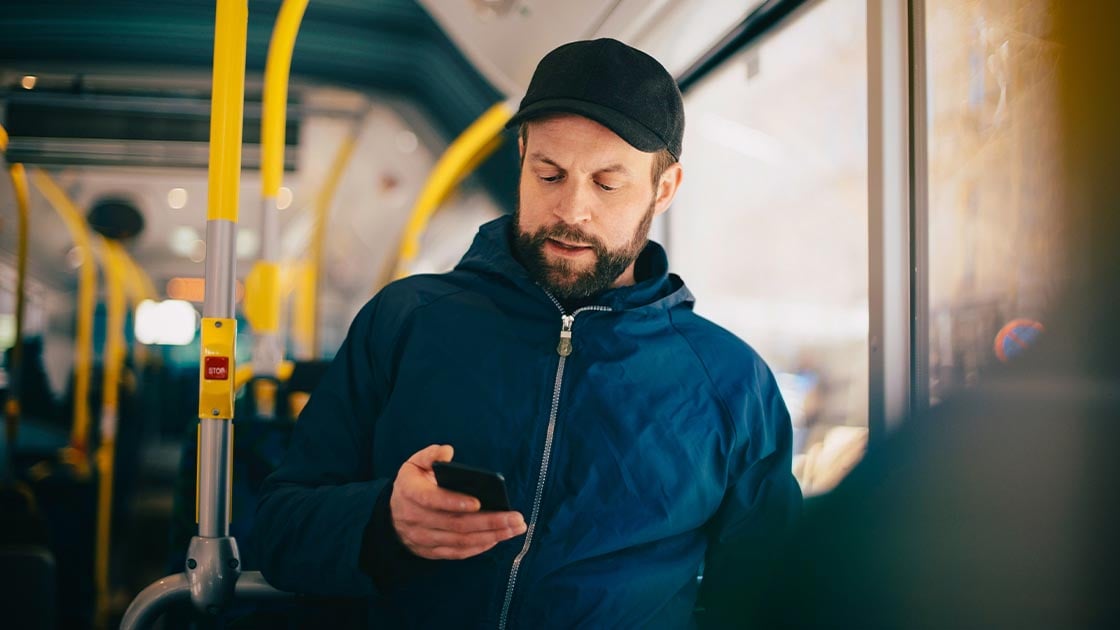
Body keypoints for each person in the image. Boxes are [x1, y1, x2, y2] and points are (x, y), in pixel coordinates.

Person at [254, 38, 802, 628]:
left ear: (664, 188)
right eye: (550, 173)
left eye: (607, 184)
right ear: (522, 156)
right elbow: (279, 530)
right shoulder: (406, 320)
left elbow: (767, 599)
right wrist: (383, 521)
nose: (572, 209)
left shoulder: (729, 383)